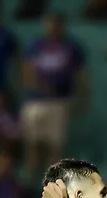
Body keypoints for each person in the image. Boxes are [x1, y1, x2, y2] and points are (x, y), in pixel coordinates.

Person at [21, 14, 86, 176]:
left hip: (59, 101)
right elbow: (26, 72)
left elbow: (80, 75)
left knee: (55, 146)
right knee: (33, 145)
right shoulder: (36, 46)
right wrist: (38, 86)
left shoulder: (71, 48)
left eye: (57, 24)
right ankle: (30, 186)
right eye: (50, 24)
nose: (54, 28)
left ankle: (55, 185)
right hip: (36, 101)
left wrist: (82, 97)